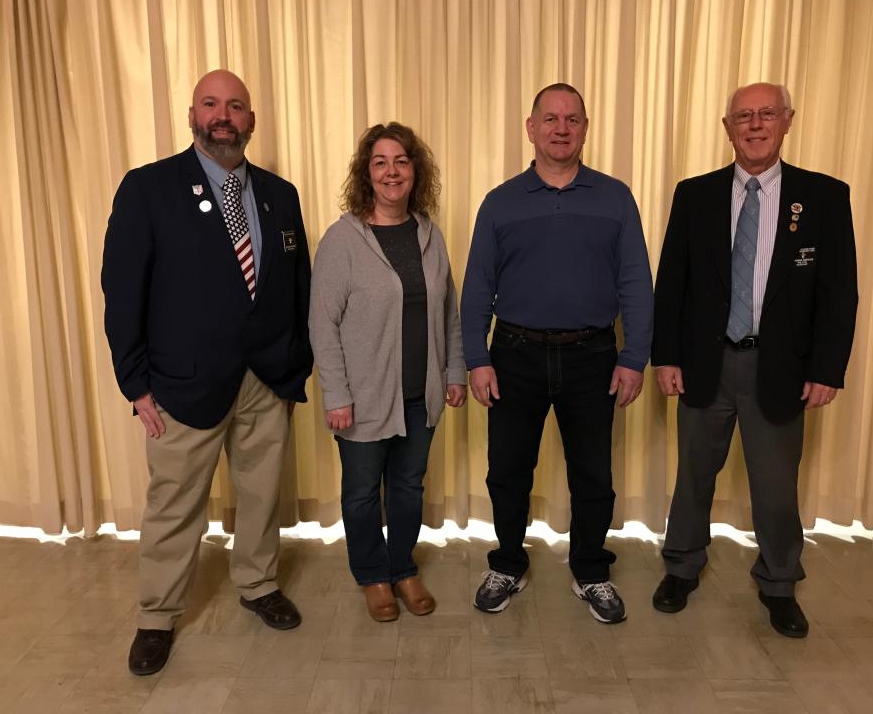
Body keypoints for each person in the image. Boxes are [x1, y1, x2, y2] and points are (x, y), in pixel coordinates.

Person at [101, 70, 312, 675]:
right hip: (180, 382)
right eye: (212, 104)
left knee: (261, 494)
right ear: (191, 114)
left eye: (236, 106)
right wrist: (135, 383)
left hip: (266, 380)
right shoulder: (148, 189)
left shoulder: (280, 194)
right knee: (173, 504)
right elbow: (122, 291)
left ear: (252, 119)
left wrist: (295, 366)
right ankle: (157, 617)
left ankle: (258, 583)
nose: (224, 115)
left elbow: (296, 289)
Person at [651, 82, 858, 637]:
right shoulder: (694, 195)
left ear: (788, 120)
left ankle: (780, 582)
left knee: (774, 484)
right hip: (704, 362)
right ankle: (682, 567)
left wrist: (826, 369)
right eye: (743, 116)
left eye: (767, 113)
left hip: (781, 368)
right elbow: (671, 283)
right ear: (727, 128)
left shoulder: (824, 196)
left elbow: (840, 293)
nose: (755, 124)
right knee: (693, 474)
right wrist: (665, 356)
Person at [460, 84, 654, 624]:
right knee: (507, 472)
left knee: (593, 475)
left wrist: (634, 356)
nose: (561, 128)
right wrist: (476, 357)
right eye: (550, 118)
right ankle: (506, 562)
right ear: (531, 127)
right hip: (514, 355)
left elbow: (637, 281)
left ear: (585, 128)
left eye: (572, 119)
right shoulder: (499, 202)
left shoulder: (615, 198)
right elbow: (477, 286)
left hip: (593, 356)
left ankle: (591, 570)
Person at [309, 122, 467, 622]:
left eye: (400, 161)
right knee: (360, 494)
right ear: (366, 173)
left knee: (408, 489)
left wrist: (455, 370)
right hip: (362, 400)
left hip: (420, 396)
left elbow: (448, 312)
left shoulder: (428, 234)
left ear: (414, 170)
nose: (391, 171)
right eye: (380, 162)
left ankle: (401, 567)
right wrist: (336, 394)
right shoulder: (342, 240)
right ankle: (373, 575)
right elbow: (322, 323)